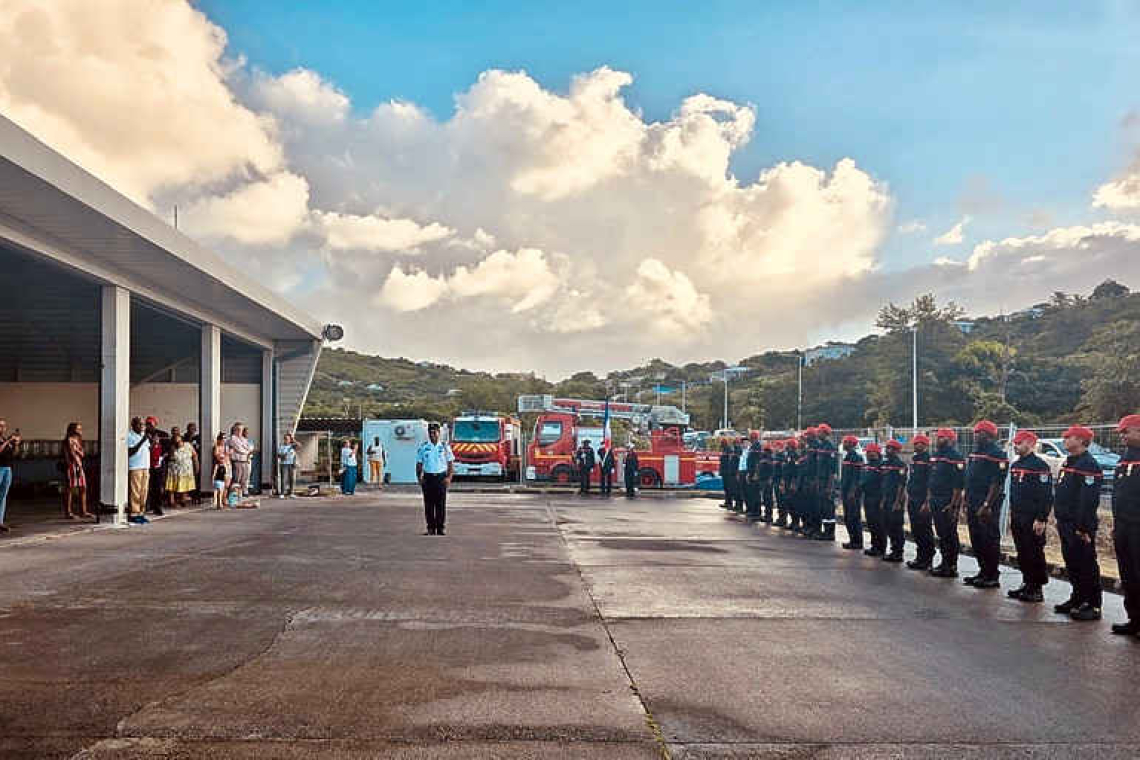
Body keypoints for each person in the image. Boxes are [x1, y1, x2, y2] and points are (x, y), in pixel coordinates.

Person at [1052, 425, 1103, 621]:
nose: (1065, 440)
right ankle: (1078, 597)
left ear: (1082, 441)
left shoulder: (1087, 465)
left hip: (1079, 524)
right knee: (1072, 562)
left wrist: (1083, 527)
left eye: (1069, 437)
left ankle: (1092, 604)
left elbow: (1088, 500)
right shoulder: (1069, 462)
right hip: (1065, 521)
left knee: (1086, 563)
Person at [1007, 429, 1052, 603]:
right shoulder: (1016, 465)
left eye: (1019, 443)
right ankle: (1027, 582)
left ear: (1030, 444)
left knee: (1034, 552)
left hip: (1032, 517)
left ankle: (1036, 587)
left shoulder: (1040, 466)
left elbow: (1046, 495)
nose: (1016, 446)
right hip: (1018, 515)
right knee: (1022, 551)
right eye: (1015, 443)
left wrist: (1041, 518)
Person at [963, 420, 1008, 589]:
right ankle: (982, 571)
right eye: (975, 432)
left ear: (988, 435)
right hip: (973, 499)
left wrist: (987, 504)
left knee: (989, 538)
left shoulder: (997, 453)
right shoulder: (975, 452)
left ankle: (992, 575)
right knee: (976, 538)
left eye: (979, 432)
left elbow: (997, 482)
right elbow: (969, 477)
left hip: (987, 501)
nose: (975, 435)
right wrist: (966, 497)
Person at [1111, 415, 1140, 636]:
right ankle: (1134, 618)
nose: (1122, 436)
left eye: (1126, 432)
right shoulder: (1124, 458)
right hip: (1123, 524)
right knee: (1128, 573)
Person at [928, 428, 966, 578]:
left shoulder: (955, 457)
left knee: (949, 533)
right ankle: (944, 562)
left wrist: (954, 504)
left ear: (951, 440)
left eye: (942, 437)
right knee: (941, 533)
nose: (938, 440)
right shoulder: (936, 456)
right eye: (938, 437)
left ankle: (951, 565)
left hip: (947, 499)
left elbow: (958, 484)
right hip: (936, 498)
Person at [416, 422, 454, 535]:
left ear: (439, 433)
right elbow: (419, 464)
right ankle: (430, 529)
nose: (432, 435)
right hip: (428, 478)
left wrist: (449, 478)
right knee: (428, 505)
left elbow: (450, 463)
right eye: (430, 432)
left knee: (440, 505)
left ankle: (440, 528)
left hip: (441, 478)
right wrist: (419, 478)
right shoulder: (424, 447)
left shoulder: (444, 447)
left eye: (435, 432)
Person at [905, 434, 935, 570]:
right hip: (913, 498)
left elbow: (930, 482)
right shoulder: (914, 460)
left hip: (922, 499)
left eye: (920, 443)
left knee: (925, 529)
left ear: (925, 445)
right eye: (915, 443)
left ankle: (927, 558)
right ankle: (920, 557)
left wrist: (927, 502)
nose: (917, 445)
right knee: (916, 529)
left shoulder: (928, 460)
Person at [880, 440, 908, 562]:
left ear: (897, 451)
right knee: (888, 525)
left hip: (896, 499)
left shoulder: (900, 465)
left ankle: (898, 552)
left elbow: (901, 485)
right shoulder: (885, 464)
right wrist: (883, 499)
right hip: (887, 498)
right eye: (887, 448)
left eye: (891, 448)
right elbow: (883, 483)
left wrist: (897, 502)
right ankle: (893, 550)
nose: (888, 450)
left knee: (896, 526)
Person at [813, 424, 838, 541]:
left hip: (827, 482)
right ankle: (825, 531)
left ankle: (830, 533)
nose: (818, 434)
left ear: (825, 433)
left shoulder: (830, 447)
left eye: (820, 432)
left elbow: (832, 470)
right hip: (820, 481)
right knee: (822, 507)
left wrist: (830, 486)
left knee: (828, 508)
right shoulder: (821, 446)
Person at [62, 422, 91, 520]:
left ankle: (84, 511)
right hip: (72, 466)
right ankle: (68, 512)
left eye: (80, 429)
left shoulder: (78, 440)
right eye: (78, 429)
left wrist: (77, 451)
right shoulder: (68, 440)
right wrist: (77, 464)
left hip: (79, 465)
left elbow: (82, 453)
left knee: (83, 488)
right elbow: (71, 454)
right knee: (70, 489)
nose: (80, 431)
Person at [860, 443, 886, 557]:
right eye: (868, 452)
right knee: (871, 523)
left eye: (872, 452)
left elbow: (884, 484)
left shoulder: (881, 466)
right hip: (867, 496)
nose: (869, 454)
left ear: (877, 453)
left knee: (878, 523)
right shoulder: (867, 466)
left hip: (877, 497)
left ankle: (881, 547)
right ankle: (874, 545)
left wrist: (882, 499)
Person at [839, 435, 864, 549]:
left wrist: (853, 491)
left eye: (846, 442)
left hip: (852, 493)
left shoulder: (856, 458)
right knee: (848, 517)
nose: (844, 444)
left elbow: (856, 477)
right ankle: (852, 539)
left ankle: (857, 542)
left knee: (854, 517)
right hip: (846, 491)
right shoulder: (847, 457)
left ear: (852, 444)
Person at [126, 416, 151, 524]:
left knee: (144, 491)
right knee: (135, 491)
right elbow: (130, 452)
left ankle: (141, 512)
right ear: (133, 425)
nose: (142, 427)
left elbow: (146, 449)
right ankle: (134, 513)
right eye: (139, 424)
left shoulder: (143, 435)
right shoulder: (129, 435)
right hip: (135, 466)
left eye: (143, 424)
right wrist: (142, 441)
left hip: (145, 466)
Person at [164, 431, 197, 508]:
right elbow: (171, 458)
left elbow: (194, 455)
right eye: (176, 441)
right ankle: (172, 501)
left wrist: (196, 465)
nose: (178, 442)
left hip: (186, 470)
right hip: (175, 470)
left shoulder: (188, 445)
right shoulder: (173, 448)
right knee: (172, 486)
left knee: (185, 485)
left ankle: (183, 500)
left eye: (179, 440)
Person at [0, 418, 22, 533]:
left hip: (7, 468)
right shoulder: (4, 440)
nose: (2, 429)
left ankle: (0, 521)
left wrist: (16, 444)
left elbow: (14, 453)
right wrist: (8, 441)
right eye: (0, 426)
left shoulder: (4, 439)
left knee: (3, 496)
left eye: (3, 426)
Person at [145, 417, 168, 516]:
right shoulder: (143, 434)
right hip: (147, 463)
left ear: (155, 424)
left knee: (158, 486)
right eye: (147, 424)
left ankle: (157, 506)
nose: (149, 426)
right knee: (147, 486)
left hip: (159, 463)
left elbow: (168, 450)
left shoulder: (163, 434)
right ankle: (147, 505)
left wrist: (162, 457)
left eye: (151, 424)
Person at [227, 422, 252, 502]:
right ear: (235, 430)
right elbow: (239, 449)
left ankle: (239, 497)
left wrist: (246, 450)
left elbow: (250, 448)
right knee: (236, 480)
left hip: (245, 461)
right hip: (237, 461)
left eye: (241, 429)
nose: (240, 431)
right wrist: (246, 451)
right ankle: (232, 498)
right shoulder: (233, 438)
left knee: (243, 480)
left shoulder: (244, 439)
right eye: (239, 429)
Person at [778, 438, 799, 528]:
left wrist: (793, 483)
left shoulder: (795, 455)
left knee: (793, 502)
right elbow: (785, 469)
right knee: (787, 502)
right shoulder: (787, 455)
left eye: (788, 445)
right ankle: (792, 522)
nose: (787, 446)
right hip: (786, 480)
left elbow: (795, 471)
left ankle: (795, 522)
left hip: (791, 481)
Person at [743, 432, 763, 520]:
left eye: (750, 438)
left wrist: (755, 473)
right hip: (751, 472)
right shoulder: (753, 446)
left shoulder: (757, 446)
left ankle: (757, 512)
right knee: (752, 493)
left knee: (756, 493)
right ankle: (753, 510)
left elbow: (757, 461)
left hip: (755, 473)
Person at [277, 433, 300, 498]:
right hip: (284, 464)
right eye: (286, 439)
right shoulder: (281, 447)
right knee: (284, 479)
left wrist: (293, 439)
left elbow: (299, 445)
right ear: (284, 440)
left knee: (292, 479)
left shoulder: (292, 446)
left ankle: (291, 493)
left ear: (290, 440)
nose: (287, 440)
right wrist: (282, 456)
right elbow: (278, 455)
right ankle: (282, 493)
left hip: (292, 464)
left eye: (288, 439)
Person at [212, 433, 230, 509]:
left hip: (227, 465)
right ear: (218, 439)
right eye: (222, 438)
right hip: (221, 467)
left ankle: (224, 499)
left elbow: (228, 456)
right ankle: (218, 502)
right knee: (219, 487)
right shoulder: (217, 447)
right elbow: (217, 456)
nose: (223, 440)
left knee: (227, 484)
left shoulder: (226, 447)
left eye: (225, 439)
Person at [760, 442, 776, 523]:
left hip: (767, 480)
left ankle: (769, 516)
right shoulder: (764, 457)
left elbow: (773, 469)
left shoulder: (770, 457)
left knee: (768, 498)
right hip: (763, 479)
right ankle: (767, 515)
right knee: (765, 498)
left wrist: (770, 478)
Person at [718, 439, 734, 510]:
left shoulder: (728, 449)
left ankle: (729, 503)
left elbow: (730, 460)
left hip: (727, 472)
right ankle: (727, 502)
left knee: (728, 488)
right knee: (726, 488)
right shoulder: (725, 449)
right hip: (724, 472)